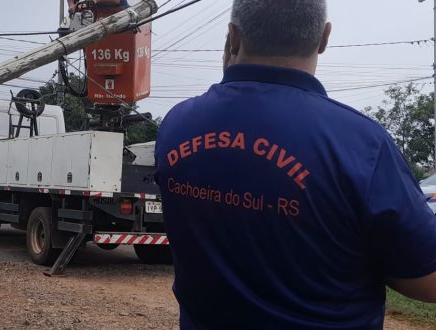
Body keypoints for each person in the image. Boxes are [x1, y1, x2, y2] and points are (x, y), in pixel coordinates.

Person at [154, 0, 436, 329]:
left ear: (232, 37)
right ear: (324, 38)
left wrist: (231, 88)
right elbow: (427, 280)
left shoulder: (177, 125)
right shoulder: (362, 144)